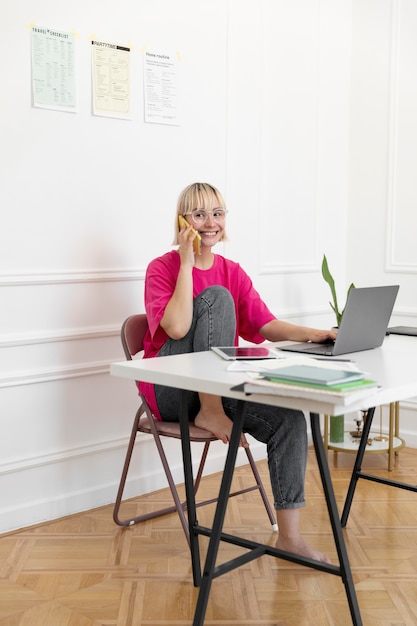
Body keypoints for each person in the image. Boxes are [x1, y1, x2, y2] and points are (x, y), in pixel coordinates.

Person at [140, 182, 336, 563]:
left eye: (217, 213)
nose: (210, 222)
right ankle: (210, 408)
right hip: (172, 390)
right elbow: (177, 329)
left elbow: (265, 325)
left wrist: (316, 333)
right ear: (183, 221)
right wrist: (185, 260)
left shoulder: (232, 270)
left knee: (290, 419)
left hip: (217, 384)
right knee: (217, 298)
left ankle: (290, 538)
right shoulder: (161, 268)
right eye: (199, 214)